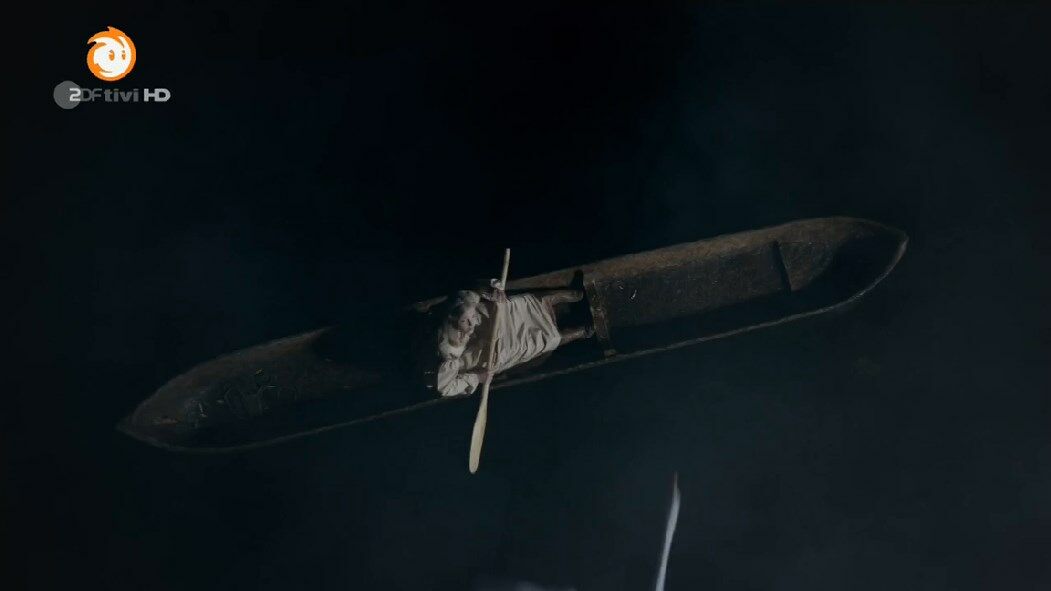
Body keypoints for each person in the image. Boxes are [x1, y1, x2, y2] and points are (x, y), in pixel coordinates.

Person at [433, 285, 594, 397]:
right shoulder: (448, 353)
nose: (472, 323)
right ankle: (576, 333)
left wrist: (491, 291)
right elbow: (445, 387)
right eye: (467, 322)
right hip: (489, 352)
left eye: (471, 318)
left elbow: (473, 293)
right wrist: (477, 378)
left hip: (493, 317)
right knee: (536, 341)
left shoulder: (457, 308)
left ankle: (557, 297)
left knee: (520, 304)